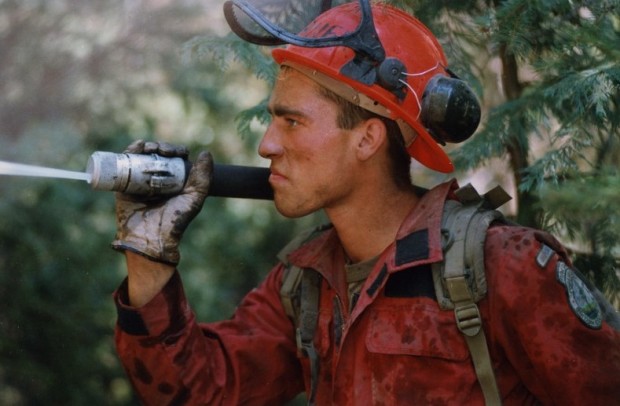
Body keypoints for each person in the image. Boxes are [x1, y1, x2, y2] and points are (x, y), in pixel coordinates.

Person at [111, 1, 620, 405]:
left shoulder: (503, 270)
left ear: (368, 139)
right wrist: (147, 260)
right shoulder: (305, 283)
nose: (266, 144)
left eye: (291, 122)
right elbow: (204, 392)